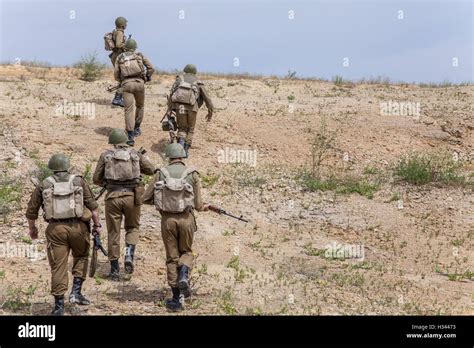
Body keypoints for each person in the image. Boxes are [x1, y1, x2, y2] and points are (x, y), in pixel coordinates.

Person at [26, 154, 102, 315]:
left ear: (51, 167)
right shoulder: (78, 181)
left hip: (55, 229)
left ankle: (59, 306)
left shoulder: (44, 184)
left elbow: (31, 211)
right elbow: (93, 207)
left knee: (58, 266)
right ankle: (76, 293)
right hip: (79, 227)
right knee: (81, 256)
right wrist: (97, 225)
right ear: (67, 166)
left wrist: (32, 229)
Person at [143, 143, 210, 311]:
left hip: (167, 220)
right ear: (182, 156)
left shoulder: (161, 173)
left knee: (172, 258)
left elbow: (145, 198)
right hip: (187, 219)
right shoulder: (192, 174)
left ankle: (175, 299)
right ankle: (184, 275)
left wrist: (161, 202)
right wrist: (206, 207)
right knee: (186, 252)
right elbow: (199, 204)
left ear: (169, 156)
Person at [92, 128, 155, 281]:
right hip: (132, 197)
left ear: (113, 143)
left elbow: (96, 178)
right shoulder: (135, 154)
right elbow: (152, 170)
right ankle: (128, 255)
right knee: (132, 228)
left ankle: (114, 270)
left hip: (112, 197)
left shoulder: (106, 156)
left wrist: (108, 183)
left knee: (114, 232)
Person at [114, 39, 154, 145]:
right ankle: (137, 128)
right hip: (139, 83)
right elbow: (151, 68)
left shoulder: (120, 57)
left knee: (128, 110)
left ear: (125, 47)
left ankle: (130, 136)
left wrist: (121, 81)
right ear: (135, 47)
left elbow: (116, 74)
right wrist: (147, 77)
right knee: (140, 106)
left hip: (126, 85)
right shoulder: (139, 55)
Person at [168, 64, 214, 156]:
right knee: (190, 129)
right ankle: (185, 149)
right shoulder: (198, 81)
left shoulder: (179, 79)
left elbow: (172, 94)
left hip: (180, 107)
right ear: (195, 71)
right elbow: (207, 98)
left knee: (182, 128)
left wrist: (170, 109)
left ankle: (180, 145)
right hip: (192, 108)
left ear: (185, 70)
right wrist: (210, 111)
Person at [107, 16, 128, 107]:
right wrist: (126, 45)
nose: (126, 25)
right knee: (125, 77)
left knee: (122, 76)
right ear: (122, 24)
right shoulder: (119, 32)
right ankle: (118, 98)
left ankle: (119, 97)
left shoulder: (115, 31)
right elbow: (118, 44)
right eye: (125, 24)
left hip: (115, 56)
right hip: (118, 56)